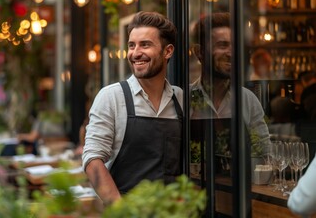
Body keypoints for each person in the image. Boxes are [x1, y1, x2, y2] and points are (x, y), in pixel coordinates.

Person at [82, 11, 183, 204]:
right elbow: (92, 160)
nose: (135, 53)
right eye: (131, 45)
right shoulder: (111, 97)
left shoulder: (180, 99)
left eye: (145, 44)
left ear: (168, 51)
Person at [190, 12, 270, 159]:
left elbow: (264, 155)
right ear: (199, 52)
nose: (231, 53)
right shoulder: (184, 99)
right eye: (222, 45)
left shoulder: (247, 99)